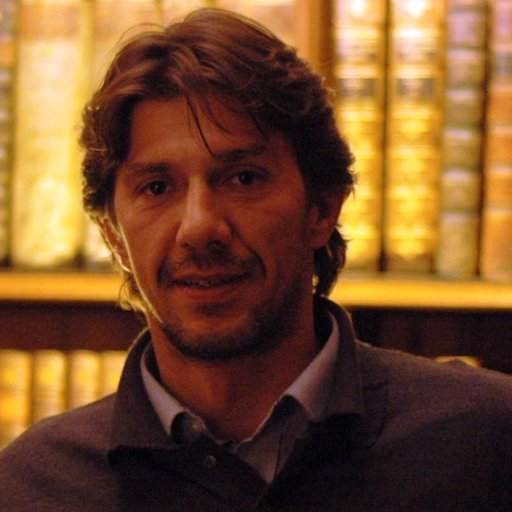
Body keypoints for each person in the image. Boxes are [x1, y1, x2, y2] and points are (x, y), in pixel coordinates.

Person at [1, 8, 511, 511]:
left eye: (243, 178)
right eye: (157, 188)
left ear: (322, 208)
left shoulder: (485, 441)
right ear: (113, 236)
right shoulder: (32, 488)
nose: (200, 227)